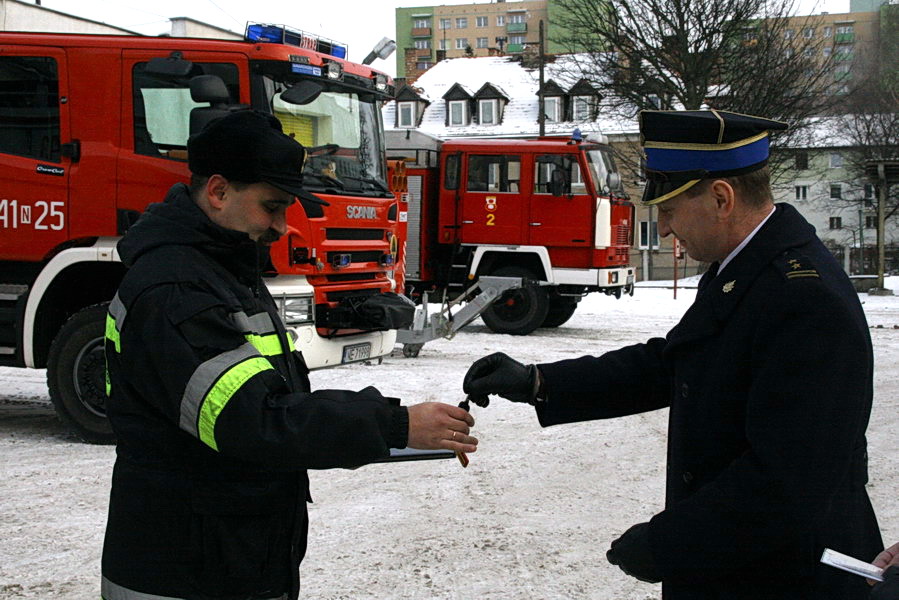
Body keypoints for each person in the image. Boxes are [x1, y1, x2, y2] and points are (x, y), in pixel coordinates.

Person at [463, 110, 882, 599]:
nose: (662, 230)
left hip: (788, 576)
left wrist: (667, 544)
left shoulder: (803, 298)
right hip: (746, 565)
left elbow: (786, 480)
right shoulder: (745, 268)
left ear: (721, 199)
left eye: (669, 210)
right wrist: (538, 381)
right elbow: (676, 362)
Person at [101, 110, 478, 600]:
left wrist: (395, 424)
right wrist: (394, 425)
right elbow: (253, 420)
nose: (282, 227)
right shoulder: (176, 288)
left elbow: (269, 397)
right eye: (272, 207)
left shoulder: (219, 270)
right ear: (218, 192)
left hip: (226, 557)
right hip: (185, 571)